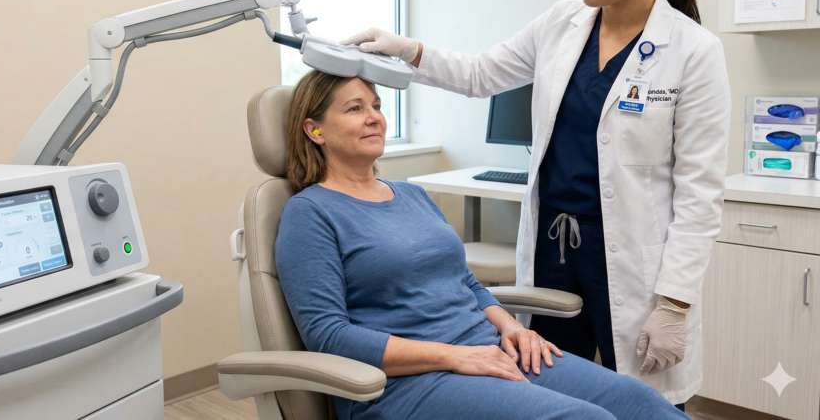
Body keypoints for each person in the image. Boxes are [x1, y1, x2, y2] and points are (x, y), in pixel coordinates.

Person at [342, 0, 730, 408]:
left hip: (636, 265)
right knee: (545, 391)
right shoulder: (562, 23)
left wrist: (674, 304)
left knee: (642, 403)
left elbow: (699, 194)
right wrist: (407, 49)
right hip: (553, 252)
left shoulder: (693, 51)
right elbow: (480, 74)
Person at [275, 71, 689, 420]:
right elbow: (328, 336)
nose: (374, 119)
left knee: (640, 403)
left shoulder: (412, 194)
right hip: (402, 383)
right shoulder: (310, 213)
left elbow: (468, 284)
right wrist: (452, 357)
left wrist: (511, 327)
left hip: (487, 349)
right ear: (315, 130)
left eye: (377, 106)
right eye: (354, 109)